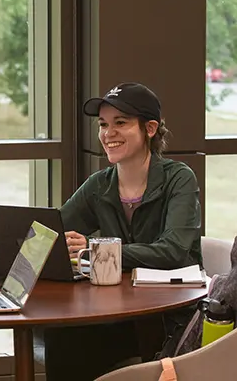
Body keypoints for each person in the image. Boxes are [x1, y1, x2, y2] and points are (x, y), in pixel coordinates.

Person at [35, 82, 202, 381]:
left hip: (167, 315)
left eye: (120, 123)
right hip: (116, 312)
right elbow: (52, 232)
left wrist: (96, 249)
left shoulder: (179, 179)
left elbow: (173, 250)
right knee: (63, 336)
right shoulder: (100, 184)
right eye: (103, 124)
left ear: (150, 129)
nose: (107, 133)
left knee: (73, 343)